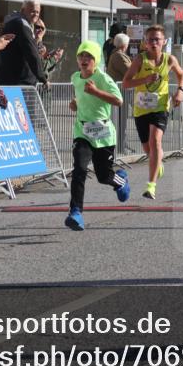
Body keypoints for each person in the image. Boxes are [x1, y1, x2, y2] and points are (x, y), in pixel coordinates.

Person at [64, 40, 131, 231]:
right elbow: (80, 95)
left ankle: (120, 181)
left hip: (103, 134)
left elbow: (118, 101)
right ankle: (75, 212)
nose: (84, 60)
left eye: (89, 57)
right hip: (82, 132)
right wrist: (75, 103)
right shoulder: (75, 77)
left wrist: (96, 91)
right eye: (81, 56)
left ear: (96, 60)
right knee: (79, 170)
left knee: (103, 176)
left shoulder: (104, 79)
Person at [123, 24, 183, 200]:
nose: (153, 43)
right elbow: (126, 83)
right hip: (141, 108)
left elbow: (182, 75)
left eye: (157, 39)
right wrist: (145, 79)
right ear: (145, 42)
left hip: (160, 106)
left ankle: (151, 186)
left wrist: (180, 91)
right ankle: (157, 162)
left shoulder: (169, 60)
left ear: (164, 42)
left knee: (155, 140)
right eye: (150, 39)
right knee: (147, 148)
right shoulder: (139, 60)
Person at [0, 0, 50, 88]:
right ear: (23, 10)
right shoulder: (22, 25)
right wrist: (43, 78)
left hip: (9, 80)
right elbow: (31, 53)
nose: (36, 15)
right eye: (33, 11)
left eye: (38, 12)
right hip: (16, 83)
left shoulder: (19, 23)